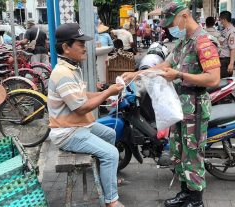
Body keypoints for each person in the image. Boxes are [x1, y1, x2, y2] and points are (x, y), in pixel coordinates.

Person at [122, 1, 220, 206]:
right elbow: (165, 65)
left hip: (195, 107)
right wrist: (137, 74)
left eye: (172, 22)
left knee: (193, 153)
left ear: (184, 16)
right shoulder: (185, 41)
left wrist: (180, 75)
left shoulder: (203, 42)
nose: (170, 28)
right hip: (179, 107)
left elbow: (213, 79)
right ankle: (186, 193)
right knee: (180, 151)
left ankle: (196, 199)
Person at [47, 23, 125, 207]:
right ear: (66, 47)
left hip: (78, 127)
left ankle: (107, 177)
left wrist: (107, 93)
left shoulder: (72, 68)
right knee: (111, 153)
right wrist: (107, 93)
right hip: (67, 133)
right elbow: (81, 108)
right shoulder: (63, 74)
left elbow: (82, 96)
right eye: (80, 44)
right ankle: (111, 201)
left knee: (110, 134)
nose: (84, 48)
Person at [218, 11, 235, 78]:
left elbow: (233, 49)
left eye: (220, 19)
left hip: (226, 61)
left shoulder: (232, 32)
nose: (220, 21)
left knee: (224, 82)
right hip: (222, 60)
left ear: (224, 19)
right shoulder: (224, 31)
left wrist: (231, 64)